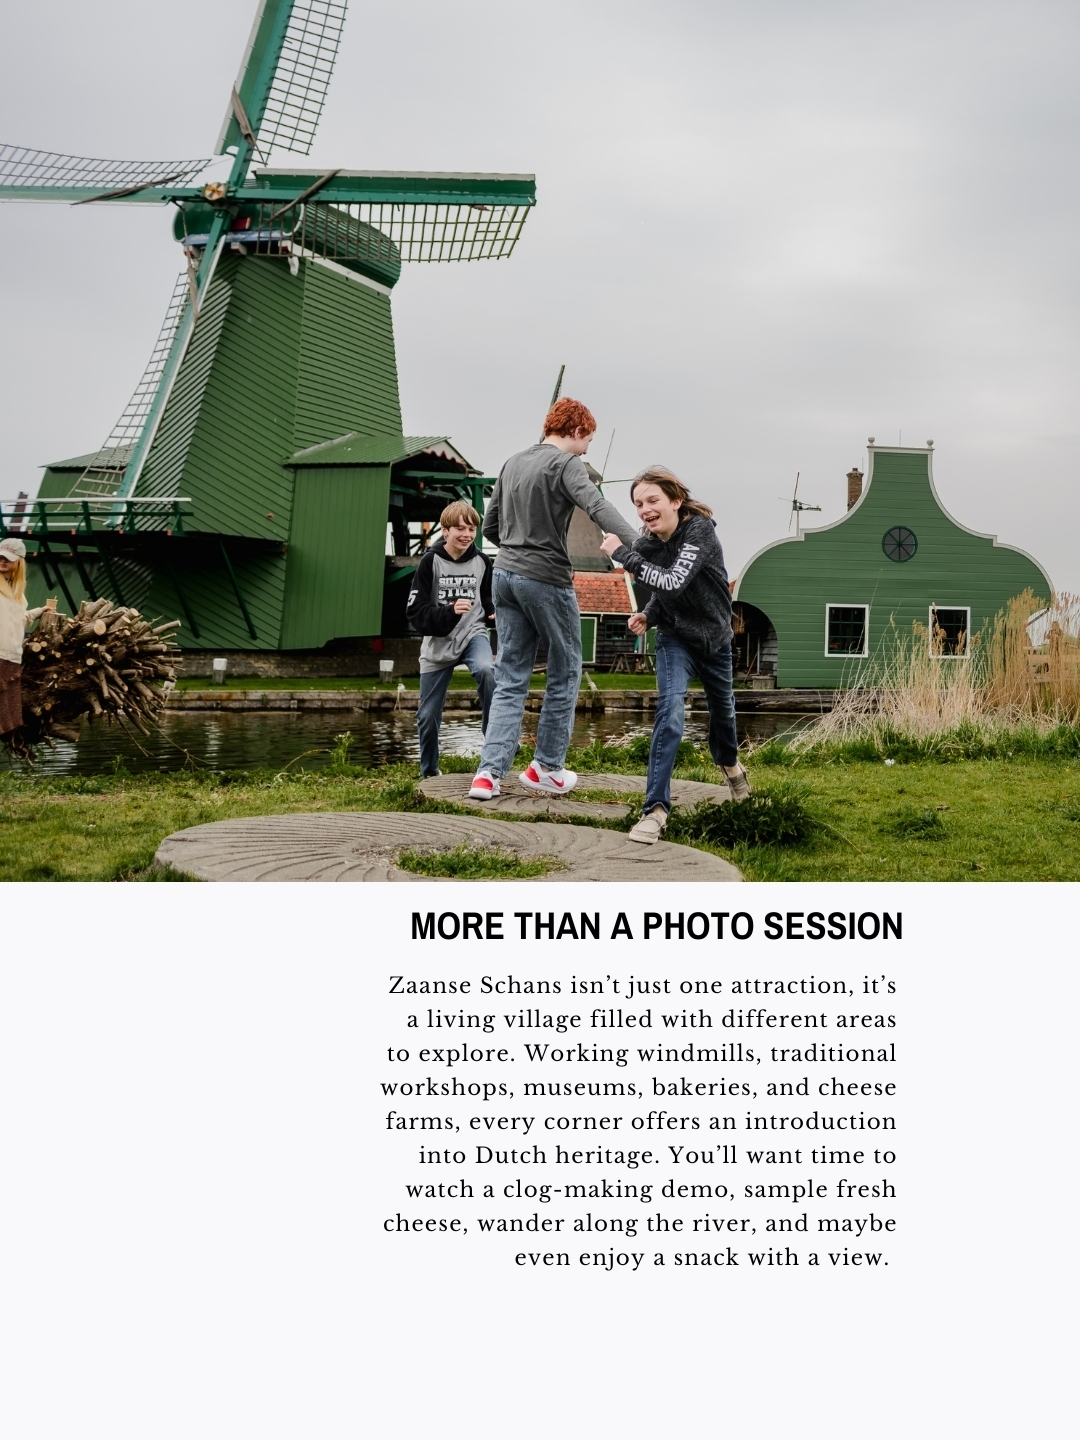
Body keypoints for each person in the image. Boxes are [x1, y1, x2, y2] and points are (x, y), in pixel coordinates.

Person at [468, 398, 639, 799]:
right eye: (587, 440)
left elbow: (490, 525)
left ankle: (487, 775)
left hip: (505, 575)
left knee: (510, 677)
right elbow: (597, 506)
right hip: (546, 578)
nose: (587, 450)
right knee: (565, 669)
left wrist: (515, 549)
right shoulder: (565, 465)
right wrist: (640, 545)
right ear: (577, 430)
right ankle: (546, 767)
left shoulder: (512, 462)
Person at [600, 465, 751, 844]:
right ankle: (655, 810)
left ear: (675, 501)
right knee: (669, 713)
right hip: (675, 640)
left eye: (653, 500)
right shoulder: (646, 545)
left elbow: (673, 579)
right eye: (638, 504)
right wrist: (649, 614)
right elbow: (664, 592)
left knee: (724, 716)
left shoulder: (698, 531)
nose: (645, 510)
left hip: (715, 640)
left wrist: (621, 554)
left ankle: (730, 765)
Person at [406, 502, 496, 779]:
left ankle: (495, 734)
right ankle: (430, 771)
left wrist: (494, 613)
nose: (466, 534)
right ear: (445, 531)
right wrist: (449, 610)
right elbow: (415, 612)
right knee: (427, 715)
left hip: (473, 634)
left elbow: (488, 598)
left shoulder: (483, 562)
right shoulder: (430, 562)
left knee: (486, 669)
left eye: (471, 528)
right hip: (438, 643)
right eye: (460, 528)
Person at [0, 537, 47, 740]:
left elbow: (17, 621)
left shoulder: (18, 594)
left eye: (7, 559)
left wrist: (38, 612)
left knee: (6, 723)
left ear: (19, 562)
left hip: (11, 659)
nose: (2, 562)